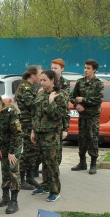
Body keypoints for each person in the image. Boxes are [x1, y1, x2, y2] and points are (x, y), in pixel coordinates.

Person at [31, 70, 67, 202]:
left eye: (44, 80)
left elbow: (59, 116)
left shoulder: (59, 95)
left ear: (53, 80)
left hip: (51, 134)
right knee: (44, 161)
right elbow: (35, 114)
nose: (42, 82)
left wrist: (52, 102)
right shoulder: (40, 93)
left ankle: (55, 190)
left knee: (52, 162)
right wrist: (33, 131)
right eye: (41, 80)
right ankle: (45, 185)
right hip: (40, 132)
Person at [70, 59, 104, 175]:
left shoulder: (98, 83)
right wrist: (77, 104)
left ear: (94, 70)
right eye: (85, 68)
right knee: (82, 139)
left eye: (88, 68)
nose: (85, 70)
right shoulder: (80, 82)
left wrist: (83, 100)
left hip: (92, 117)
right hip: (82, 116)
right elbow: (72, 96)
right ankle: (82, 163)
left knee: (92, 139)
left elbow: (99, 99)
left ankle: (93, 164)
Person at [14, 65, 42, 191]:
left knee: (33, 150)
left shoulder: (30, 86)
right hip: (26, 124)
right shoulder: (25, 87)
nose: (41, 77)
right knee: (28, 151)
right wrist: (41, 95)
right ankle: (21, 178)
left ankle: (30, 176)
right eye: (39, 74)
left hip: (32, 123)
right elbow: (31, 104)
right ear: (32, 75)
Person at [51, 58, 70, 165]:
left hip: (61, 116)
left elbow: (64, 97)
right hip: (49, 117)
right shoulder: (48, 80)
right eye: (52, 67)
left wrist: (65, 128)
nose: (53, 70)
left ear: (62, 69)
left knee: (58, 146)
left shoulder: (65, 82)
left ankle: (56, 167)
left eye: (56, 68)